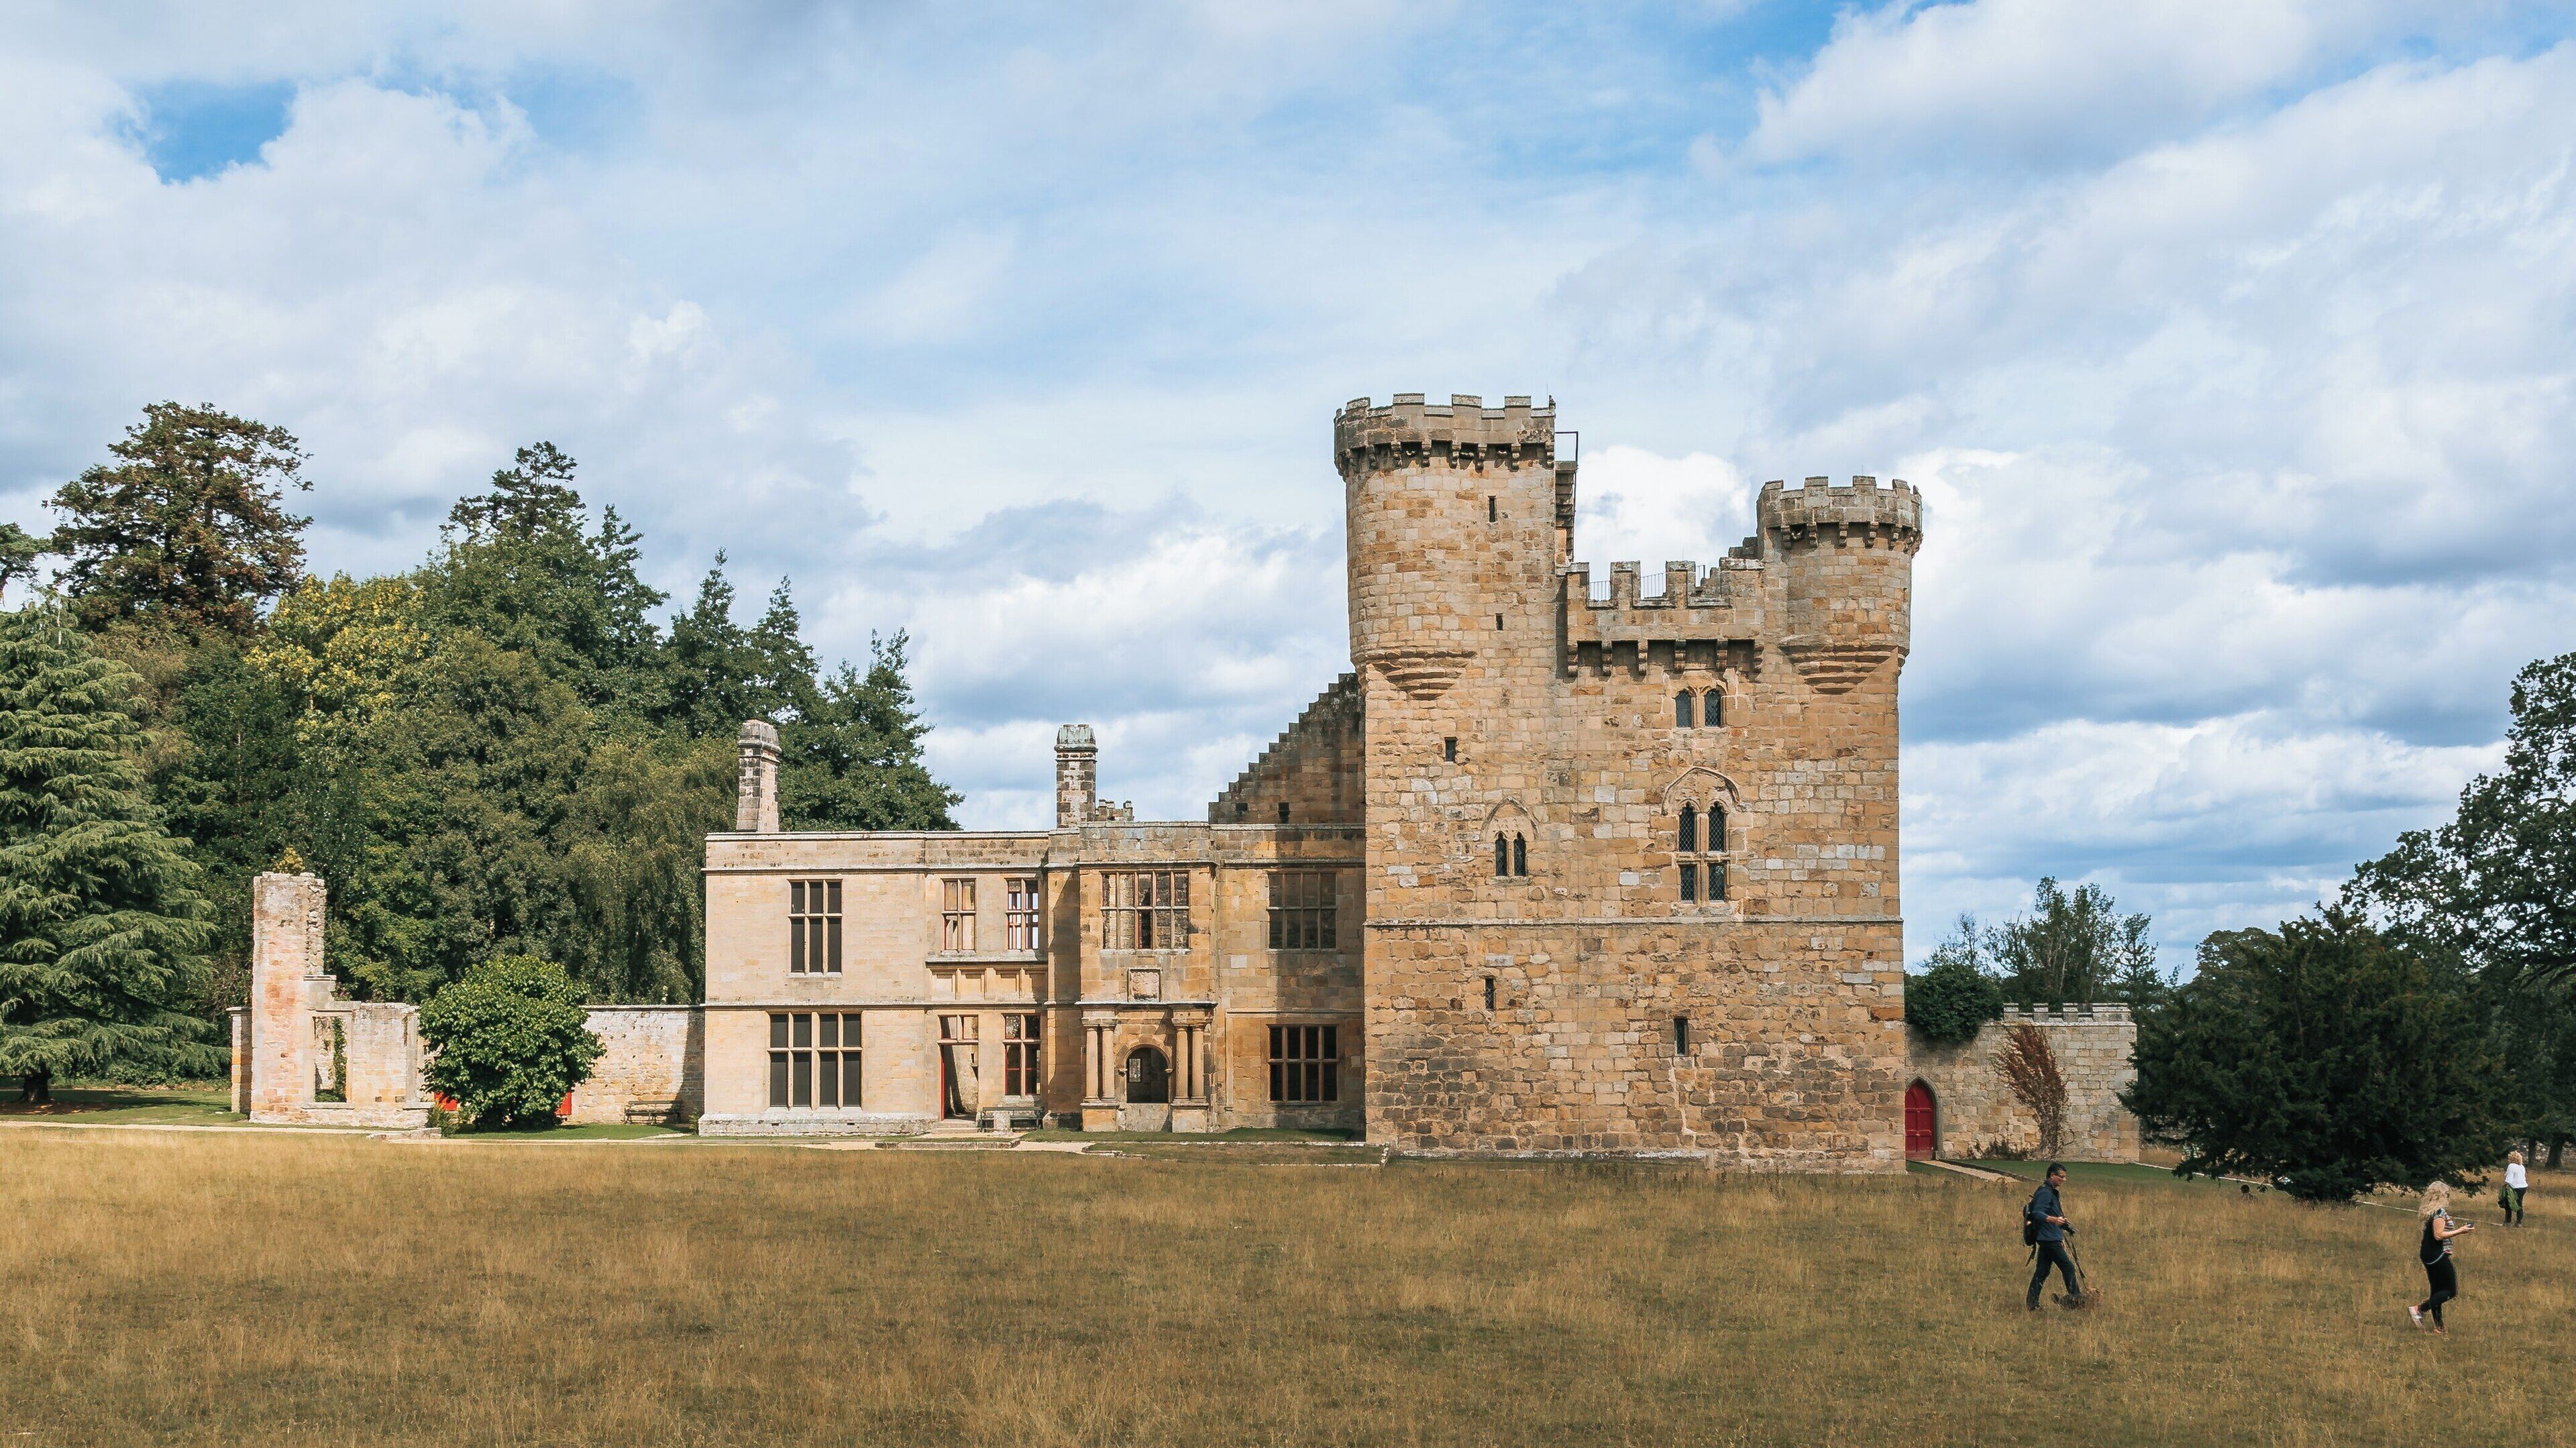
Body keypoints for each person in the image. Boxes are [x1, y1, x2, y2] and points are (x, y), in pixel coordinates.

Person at [2412, 1180, 2473, 1333]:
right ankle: (2419, 1309)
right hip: (2437, 1256)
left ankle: (2439, 1328)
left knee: (2437, 1291)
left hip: (2428, 1254)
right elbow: (2439, 1235)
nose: (2448, 1197)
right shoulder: (2439, 1212)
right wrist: (2461, 1231)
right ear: (2441, 1195)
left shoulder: (2431, 1211)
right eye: (2447, 1194)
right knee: (2451, 1291)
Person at [2025, 1163, 2078, 1311]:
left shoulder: (2051, 1191)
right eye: (2061, 1176)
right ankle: (2076, 1299)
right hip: (2048, 1238)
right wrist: (2054, 1220)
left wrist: (2062, 1233)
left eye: (2065, 1176)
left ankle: (2032, 1305)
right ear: (2052, 1176)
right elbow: (2037, 1213)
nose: (2064, 1179)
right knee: (2068, 1267)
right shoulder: (2045, 1192)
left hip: (2050, 1237)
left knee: (2042, 1272)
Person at [2502, 1151, 2527, 1227]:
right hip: (2523, 1187)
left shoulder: (2511, 1166)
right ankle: (2518, 1222)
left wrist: (2505, 1187)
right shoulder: (2522, 1167)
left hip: (2514, 1188)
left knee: (2508, 1204)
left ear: (2511, 1159)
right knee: (2519, 1204)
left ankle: (2508, 1222)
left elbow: (2508, 1179)